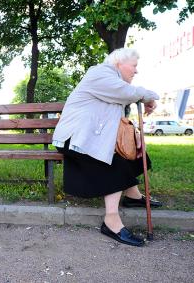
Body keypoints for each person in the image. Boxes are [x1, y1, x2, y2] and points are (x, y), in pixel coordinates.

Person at [52, 48, 162, 247]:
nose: (136, 71)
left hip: (87, 139)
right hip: (74, 140)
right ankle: (111, 221)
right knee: (114, 166)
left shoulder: (111, 79)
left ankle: (132, 196)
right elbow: (125, 92)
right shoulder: (100, 73)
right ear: (119, 63)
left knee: (135, 155)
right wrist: (149, 97)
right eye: (134, 66)